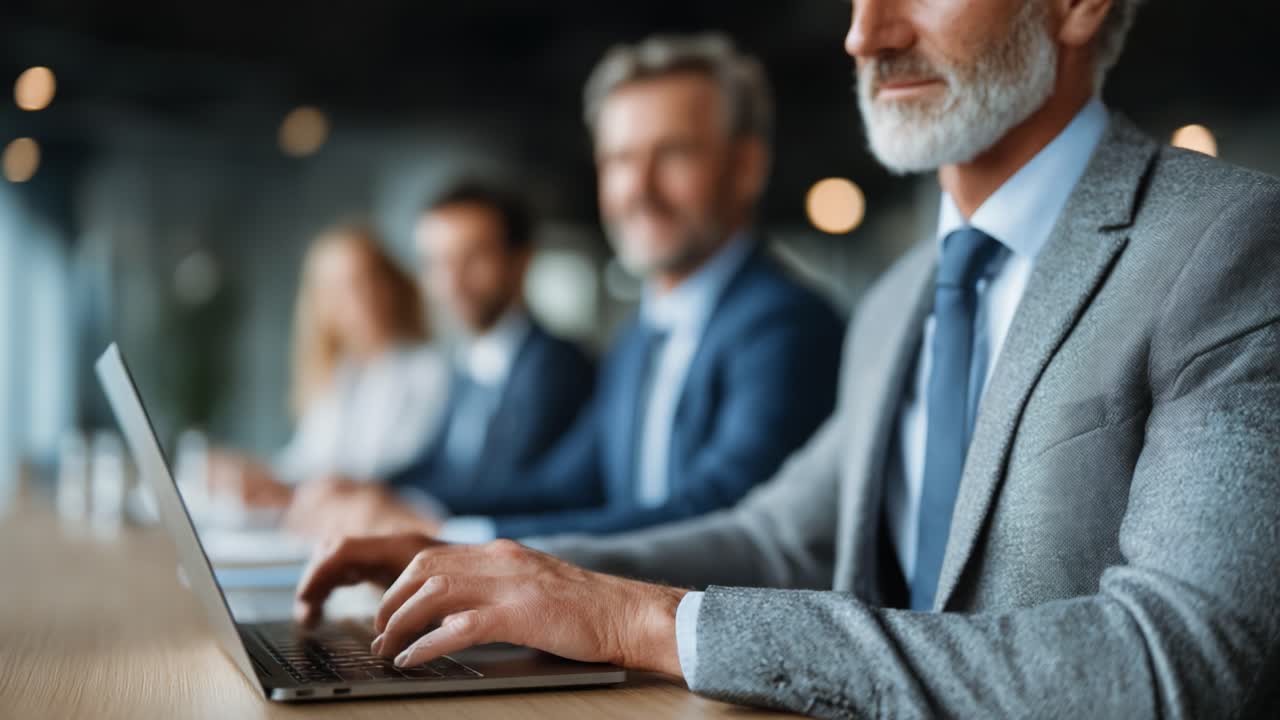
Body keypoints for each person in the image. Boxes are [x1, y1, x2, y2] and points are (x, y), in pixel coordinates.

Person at [300, 1, 1280, 715]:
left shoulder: (1226, 245)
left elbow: (1174, 660)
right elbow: (777, 539)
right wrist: (491, 567)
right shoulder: (897, 300)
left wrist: (644, 623)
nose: (864, 35)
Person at [418, 35, 844, 542]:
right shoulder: (635, 341)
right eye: (619, 159)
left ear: (746, 167)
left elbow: (719, 512)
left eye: (673, 153)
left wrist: (458, 538)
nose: (639, 190)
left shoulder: (788, 325)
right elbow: (561, 490)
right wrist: (413, 513)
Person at [282, 183, 597, 537]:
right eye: (436, 262)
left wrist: (412, 507)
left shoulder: (554, 367)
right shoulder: (467, 364)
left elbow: (520, 489)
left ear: (520, 261)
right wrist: (369, 489)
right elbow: (436, 465)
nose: (452, 281)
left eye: (473, 258)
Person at [209, 224, 448, 509]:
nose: (360, 297)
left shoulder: (429, 371)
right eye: (338, 287)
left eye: (367, 279)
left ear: (393, 284)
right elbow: (307, 458)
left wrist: (292, 487)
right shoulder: (336, 374)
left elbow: (396, 470)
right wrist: (257, 473)